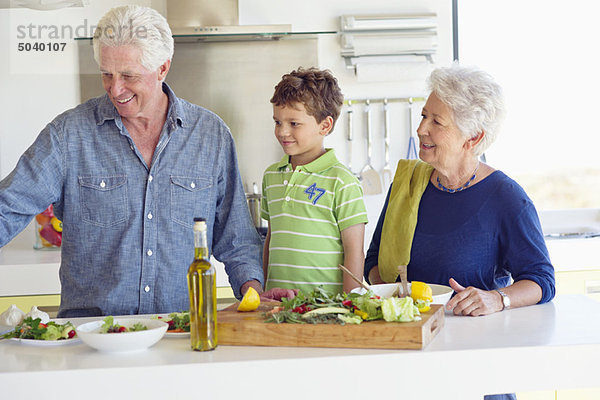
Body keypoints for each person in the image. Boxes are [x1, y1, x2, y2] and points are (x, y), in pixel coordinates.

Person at [0, 5, 265, 317]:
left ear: (163, 68)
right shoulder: (68, 135)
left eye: (128, 75)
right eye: (106, 74)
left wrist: (253, 292)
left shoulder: (210, 135)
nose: (116, 88)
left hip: (181, 334)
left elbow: (236, 239)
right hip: (91, 340)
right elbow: (7, 207)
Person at [365, 64, 555, 319]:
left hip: (472, 343)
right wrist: (393, 292)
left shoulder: (507, 198)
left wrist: (498, 298)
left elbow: (542, 281)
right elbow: (373, 261)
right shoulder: (406, 185)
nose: (421, 129)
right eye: (423, 116)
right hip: (406, 333)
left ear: (473, 137)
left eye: (437, 121)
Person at [261, 67, 368, 294]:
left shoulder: (342, 181)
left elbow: (354, 252)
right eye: (278, 122)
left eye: (294, 123)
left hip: (326, 310)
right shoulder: (271, 177)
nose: (282, 132)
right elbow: (270, 241)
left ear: (325, 125)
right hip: (276, 309)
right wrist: (261, 292)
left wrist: (350, 306)